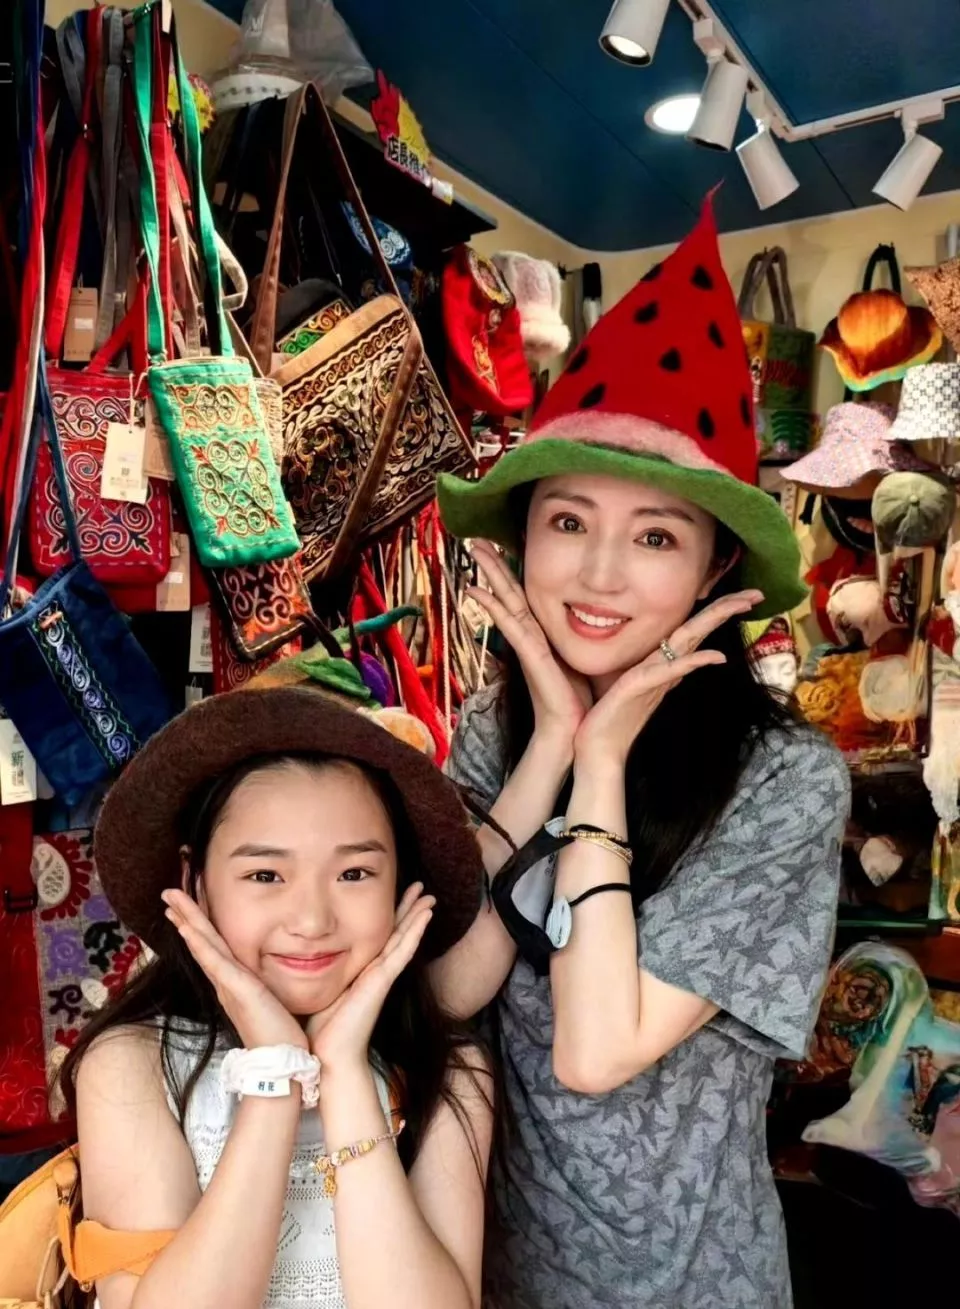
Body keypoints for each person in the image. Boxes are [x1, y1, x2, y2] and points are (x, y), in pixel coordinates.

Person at [432, 197, 851, 1308]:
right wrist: (550, 748)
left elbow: (596, 1048)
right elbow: (449, 985)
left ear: (717, 569)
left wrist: (604, 766)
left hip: (689, 1283)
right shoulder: (493, 730)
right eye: (568, 520)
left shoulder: (785, 781)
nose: (600, 574)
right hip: (501, 1270)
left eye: (656, 535)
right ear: (525, 531)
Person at [61, 686, 493, 1309]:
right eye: (265, 875)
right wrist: (274, 1075)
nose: (312, 920)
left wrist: (344, 1073)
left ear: (401, 882)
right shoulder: (132, 1066)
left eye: (354, 873)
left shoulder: (447, 1076)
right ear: (195, 882)